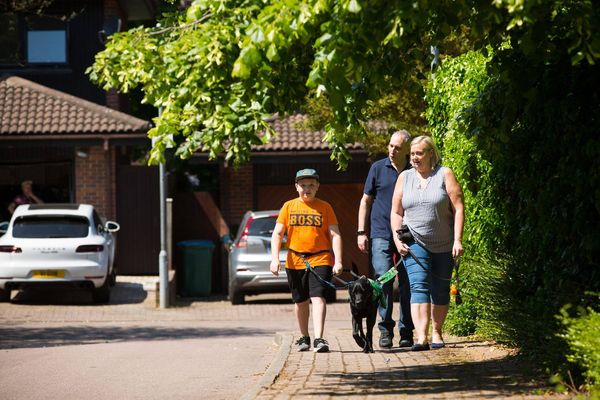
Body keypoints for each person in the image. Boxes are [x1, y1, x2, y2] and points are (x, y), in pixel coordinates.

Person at [390, 135, 465, 351]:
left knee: (440, 289)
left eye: (419, 153)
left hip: (444, 243)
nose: (414, 158)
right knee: (418, 285)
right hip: (414, 242)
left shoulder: (445, 174)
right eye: (412, 154)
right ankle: (421, 337)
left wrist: (457, 239)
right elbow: (396, 211)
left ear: (431, 153)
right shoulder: (404, 177)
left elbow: (458, 207)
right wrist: (397, 239)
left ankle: (437, 332)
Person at [270, 168, 344, 353]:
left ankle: (319, 338)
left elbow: (335, 235)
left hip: (321, 258)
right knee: (300, 301)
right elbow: (278, 233)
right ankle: (304, 337)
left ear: (318, 186)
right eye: (303, 185)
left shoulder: (325, 207)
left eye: (311, 185)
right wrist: (274, 258)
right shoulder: (288, 206)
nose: (307, 189)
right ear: (296, 187)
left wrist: (339, 261)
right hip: (295, 260)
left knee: (318, 297)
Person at [357, 130, 415, 349]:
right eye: (390, 146)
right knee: (383, 280)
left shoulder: (414, 170)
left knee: (409, 282)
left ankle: (406, 330)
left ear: (407, 150)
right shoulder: (377, 168)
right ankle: (385, 330)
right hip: (380, 232)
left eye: (397, 147)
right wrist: (361, 232)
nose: (392, 150)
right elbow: (365, 201)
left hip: (407, 233)